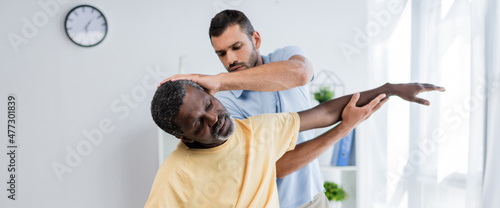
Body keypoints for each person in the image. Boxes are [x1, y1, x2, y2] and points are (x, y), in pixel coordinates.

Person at [161, 9, 446, 207]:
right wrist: (344, 128)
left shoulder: (283, 59)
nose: (230, 59)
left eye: (236, 47)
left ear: (255, 39)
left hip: (315, 193)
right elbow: (278, 168)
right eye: (221, 53)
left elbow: (301, 76)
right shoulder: (226, 108)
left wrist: (391, 89)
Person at [144, 79, 389, 208]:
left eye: (209, 105)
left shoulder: (256, 130)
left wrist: (390, 89)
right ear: (185, 137)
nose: (214, 118)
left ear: (212, 95)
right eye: (198, 124)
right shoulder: (175, 174)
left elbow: (323, 113)